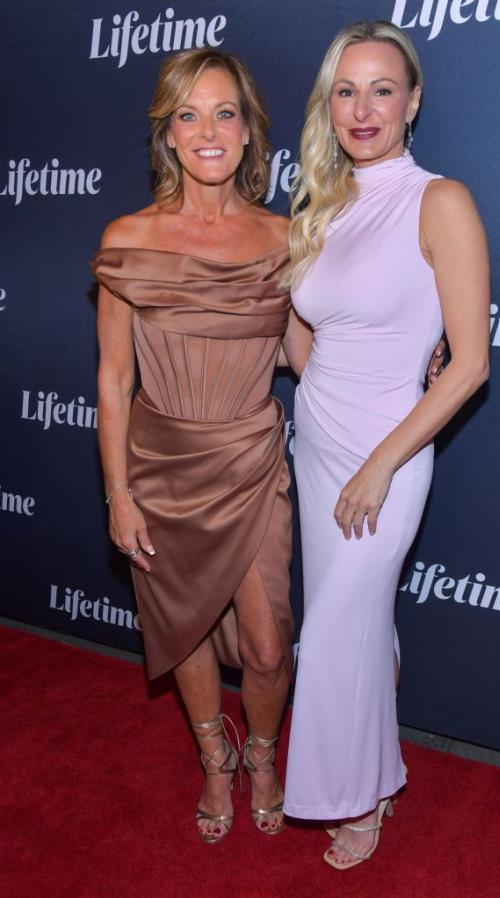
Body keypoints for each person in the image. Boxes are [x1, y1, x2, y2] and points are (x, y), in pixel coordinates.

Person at [282, 21, 490, 869]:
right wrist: (315, 403)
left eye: (381, 89)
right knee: (353, 621)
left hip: (388, 453)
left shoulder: (441, 200)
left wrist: (379, 462)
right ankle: (371, 744)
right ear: (328, 106)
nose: (363, 108)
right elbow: (303, 330)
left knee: (329, 633)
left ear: (412, 102)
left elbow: (469, 363)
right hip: (320, 437)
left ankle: (359, 794)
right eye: (346, 90)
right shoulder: (323, 204)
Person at [91, 48, 294, 844]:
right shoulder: (128, 239)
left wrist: (415, 360)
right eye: (188, 114)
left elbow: (318, 358)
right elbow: (112, 378)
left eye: (225, 113)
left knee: (270, 645)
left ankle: (265, 753)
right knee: (181, 631)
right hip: (160, 465)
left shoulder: (286, 239)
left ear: (249, 133)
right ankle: (217, 759)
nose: (208, 130)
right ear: (167, 135)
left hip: (249, 458)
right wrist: (119, 491)